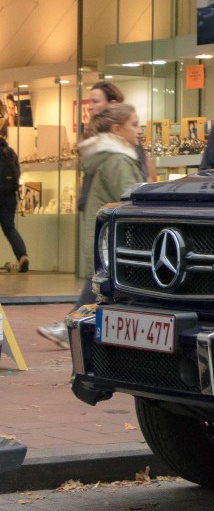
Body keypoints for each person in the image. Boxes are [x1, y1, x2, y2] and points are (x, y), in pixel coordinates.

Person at [39, 104, 145, 347]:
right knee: (102, 287)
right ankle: (72, 328)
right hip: (113, 240)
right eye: (135, 124)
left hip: (105, 238)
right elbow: (132, 198)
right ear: (117, 129)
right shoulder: (118, 160)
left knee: (100, 287)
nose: (139, 130)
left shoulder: (110, 157)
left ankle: (73, 329)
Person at [84, 81, 156, 181]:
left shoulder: (129, 141)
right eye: (90, 102)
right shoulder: (94, 139)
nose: (90, 107)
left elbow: (139, 180)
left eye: (95, 102)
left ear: (113, 104)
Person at [0, 125, 28, 272]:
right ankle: (22, 256)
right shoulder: (10, 152)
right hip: (9, 196)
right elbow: (17, 173)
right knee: (9, 228)